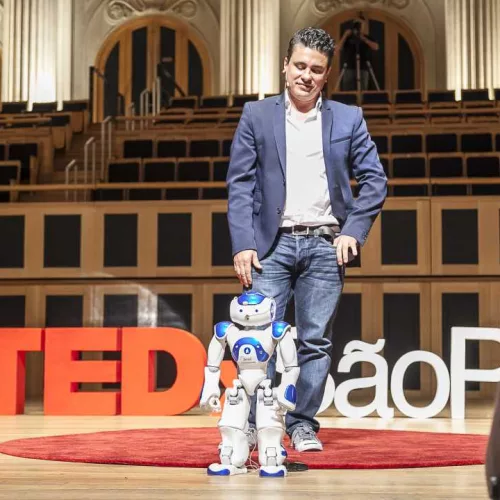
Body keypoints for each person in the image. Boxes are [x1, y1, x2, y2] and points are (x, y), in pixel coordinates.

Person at [226, 27, 387, 452]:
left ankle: (301, 425)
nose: (306, 75)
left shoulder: (348, 118)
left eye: (316, 69)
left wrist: (353, 230)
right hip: (270, 247)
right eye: (299, 65)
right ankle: (255, 425)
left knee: (314, 341)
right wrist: (243, 243)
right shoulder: (255, 115)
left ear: (327, 74)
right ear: (285, 66)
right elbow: (240, 185)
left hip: (323, 244)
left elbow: (375, 181)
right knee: (258, 341)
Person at [337, 17, 379, 91]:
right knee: (348, 91)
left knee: (363, 91)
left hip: (363, 67)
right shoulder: (348, 38)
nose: (358, 26)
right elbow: (338, 48)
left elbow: (375, 47)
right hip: (349, 67)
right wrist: (345, 35)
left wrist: (363, 38)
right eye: (357, 24)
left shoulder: (366, 37)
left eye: (360, 24)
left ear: (364, 26)